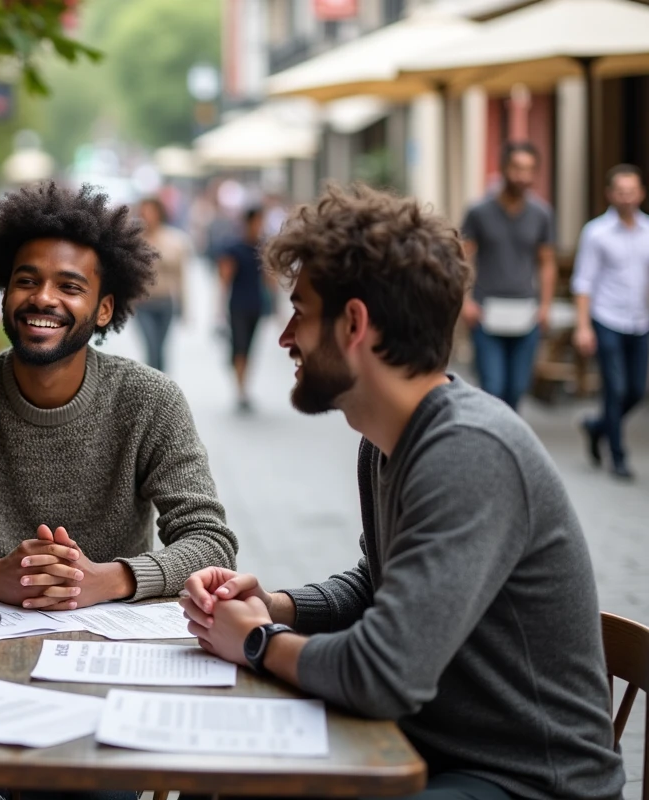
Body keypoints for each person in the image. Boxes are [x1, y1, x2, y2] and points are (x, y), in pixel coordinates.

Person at [180, 185, 625, 800]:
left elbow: (382, 673)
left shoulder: (470, 451)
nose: (285, 337)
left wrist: (257, 642)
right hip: (429, 751)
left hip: (526, 782)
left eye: (301, 312)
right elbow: (376, 582)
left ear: (355, 324)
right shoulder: (387, 438)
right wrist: (277, 606)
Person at [0, 182, 237, 612]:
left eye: (69, 287)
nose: (43, 298)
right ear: (4, 291)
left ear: (104, 309)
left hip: (117, 647)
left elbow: (211, 542)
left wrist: (106, 580)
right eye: (26, 281)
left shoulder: (150, 401)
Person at [460, 141, 557, 411]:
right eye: (517, 168)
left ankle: (506, 446)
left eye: (529, 170)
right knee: (493, 386)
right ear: (503, 168)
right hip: (486, 311)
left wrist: (545, 306)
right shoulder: (479, 211)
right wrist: (466, 301)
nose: (523, 176)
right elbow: (465, 257)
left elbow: (546, 263)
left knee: (516, 388)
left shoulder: (541, 214)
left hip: (526, 311)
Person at [572, 164, 649, 481]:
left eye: (632, 191)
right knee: (614, 389)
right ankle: (617, 456)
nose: (627, 197)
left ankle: (596, 427)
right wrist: (583, 326)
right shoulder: (596, 232)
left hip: (640, 321)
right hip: (607, 318)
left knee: (636, 390)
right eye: (621, 191)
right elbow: (583, 282)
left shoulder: (648, 231)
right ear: (609, 195)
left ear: (641, 193)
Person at [217, 207, 276, 411]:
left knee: (249, 349)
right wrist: (218, 309)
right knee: (241, 346)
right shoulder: (233, 248)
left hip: (256, 305)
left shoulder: (263, 248)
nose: (260, 226)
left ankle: (243, 383)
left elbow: (270, 279)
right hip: (238, 305)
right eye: (258, 221)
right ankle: (240, 389)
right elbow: (224, 280)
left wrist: (278, 306)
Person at [134, 196, 191, 372]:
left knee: (161, 348)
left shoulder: (175, 240)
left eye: (151, 211)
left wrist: (185, 306)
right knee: (151, 346)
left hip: (165, 301)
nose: (147, 216)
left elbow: (181, 276)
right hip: (142, 303)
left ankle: (162, 386)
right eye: (144, 212)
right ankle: (153, 385)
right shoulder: (134, 240)